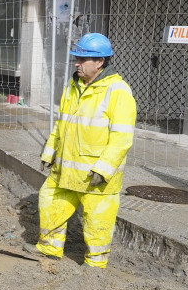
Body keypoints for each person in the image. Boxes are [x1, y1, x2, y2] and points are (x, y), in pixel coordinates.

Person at [24, 33, 136, 269]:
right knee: (50, 201)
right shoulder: (72, 86)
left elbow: (122, 137)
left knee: (97, 219)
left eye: (84, 59)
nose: (77, 63)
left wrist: (104, 169)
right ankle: (50, 247)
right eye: (77, 58)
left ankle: (95, 264)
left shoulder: (118, 91)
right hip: (65, 168)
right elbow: (61, 124)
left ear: (100, 62)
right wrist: (49, 152)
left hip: (95, 175)